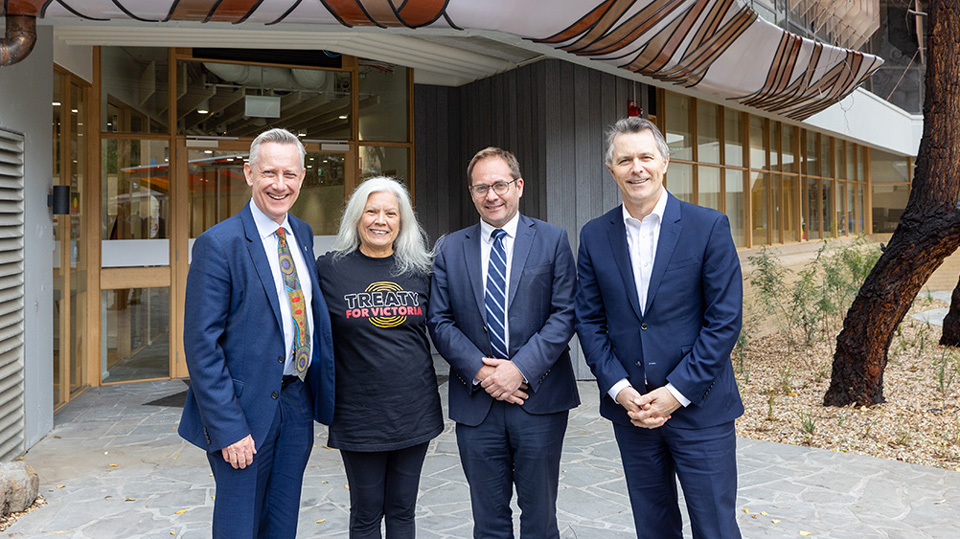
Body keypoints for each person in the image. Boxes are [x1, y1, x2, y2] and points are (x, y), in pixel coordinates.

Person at [575, 117, 744, 538]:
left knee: (716, 528)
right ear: (611, 169)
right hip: (632, 412)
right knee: (653, 527)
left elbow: (724, 321)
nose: (637, 168)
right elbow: (589, 320)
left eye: (646, 157)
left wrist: (674, 394)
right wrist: (620, 389)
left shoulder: (708, 227)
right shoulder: (595, 235)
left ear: (665, 162)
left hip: (700, 408)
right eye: (625, 159)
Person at [178, 127, 336, 539]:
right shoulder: (219, 244)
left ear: (302, 178)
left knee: (282, 525)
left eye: (290, 174)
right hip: (243, 413)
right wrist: (230, 428)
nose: (279, 185)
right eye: (269, 173)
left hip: (295, 403)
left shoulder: (300, 234)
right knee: (239, 527)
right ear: (249, 174)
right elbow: (201, 346)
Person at [427, 147, 579, 539]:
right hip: (477, 403)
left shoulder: (552, 239)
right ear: (471, 193)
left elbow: (564, 315)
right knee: (488, 520)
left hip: (539, 399)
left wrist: (518, 370)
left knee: (540, 517)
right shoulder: (449, 248)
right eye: (481, 188)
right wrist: (482, 371)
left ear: (519, 186)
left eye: (500, 185)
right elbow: (439, 320)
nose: (491, 195)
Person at [316, 176, 443, 538]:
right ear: (356, 217)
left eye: (390, 213)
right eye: (371, 211)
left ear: (401, 222)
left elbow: (448, 324)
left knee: (403, 510)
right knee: (367, 512)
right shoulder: (329, 269)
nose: (380, 220)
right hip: (359, 416)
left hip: (413, 411)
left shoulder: (420, 269)